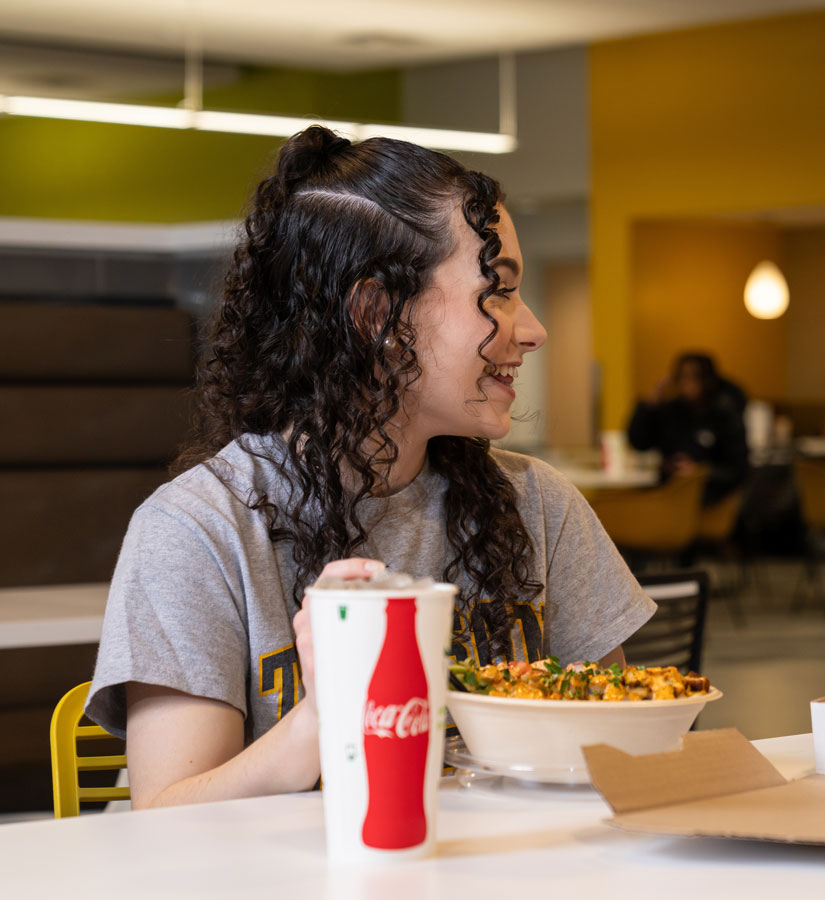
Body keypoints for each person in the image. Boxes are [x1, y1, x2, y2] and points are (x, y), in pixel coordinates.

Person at [87, 126, 656, 808]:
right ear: (376, 313)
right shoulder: (199, 530)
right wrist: (321, 721)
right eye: (498, 291)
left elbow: (629, 749)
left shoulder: (539, 504)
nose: (532, 329)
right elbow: (164, 813)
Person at [627, 352, 749, 505]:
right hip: (668, 493)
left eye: (693, 377)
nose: (687, 383)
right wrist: (650, 405)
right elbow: (639, 442)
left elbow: (738, 470)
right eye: (682, 377)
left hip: (710, 500)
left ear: (708, 380)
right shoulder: (672, 411)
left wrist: (699, 472)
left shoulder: (725, 415)